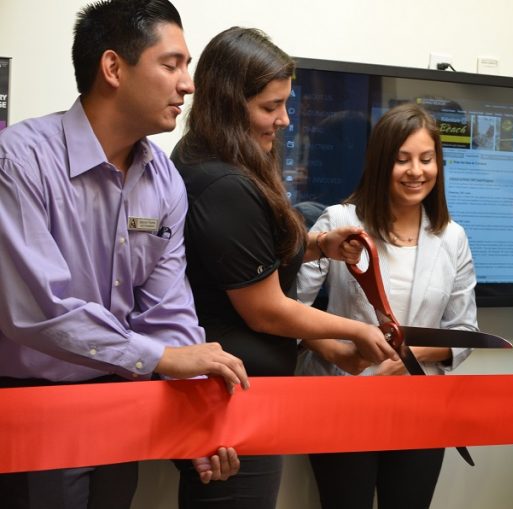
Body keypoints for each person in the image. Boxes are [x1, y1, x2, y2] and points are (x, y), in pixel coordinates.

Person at [0, 1, 249, 508]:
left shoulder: (164, 181)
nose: (189, 84)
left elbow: (168, 311)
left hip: (120, 402)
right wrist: (161, 358)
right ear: (113, 68)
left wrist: (199, 421)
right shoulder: (20, 160)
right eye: (171, 64)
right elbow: (36, 309)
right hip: (33, 406)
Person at [170, 27, 397, 509]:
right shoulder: (224, 183)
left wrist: (317, 246)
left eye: (285, 104)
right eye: (270, 107)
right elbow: (266, 309)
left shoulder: (211, 157)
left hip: (239, 394)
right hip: (233, 400)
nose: (285, 120)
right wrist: (355, 331)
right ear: (231, 105)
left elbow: (242, 259)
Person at [295, 103, 477, 509]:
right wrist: (336, 352)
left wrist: (403, 356)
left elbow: (463, 333)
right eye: (403, 160)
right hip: (342, 403)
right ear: (381, 163)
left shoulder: (453, 238)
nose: (417, 171)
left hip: (421, 407)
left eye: (427, 159)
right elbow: (292, 311)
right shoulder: (339, 221)